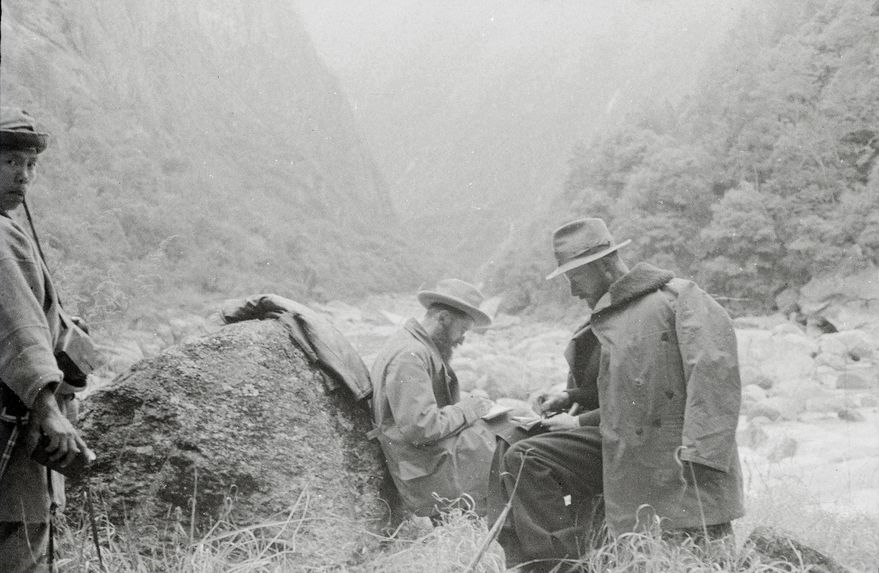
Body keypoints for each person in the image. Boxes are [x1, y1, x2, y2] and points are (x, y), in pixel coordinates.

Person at [494, 218, 744, 569]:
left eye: (575, 279)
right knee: (517, 448)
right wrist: (574, 397)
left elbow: (716, 382)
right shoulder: (605, 317)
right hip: (624, 448)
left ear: (603, 265)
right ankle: (562, 563)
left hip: (670, 461)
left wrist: (701, 462)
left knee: (526, 458)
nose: (574, 292)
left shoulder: (680, 299)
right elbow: (627, 389)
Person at [1, 107, 94, 571]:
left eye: (30, 165)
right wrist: (50, 413)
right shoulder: (0, 236)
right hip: (13, 430)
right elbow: (21, 331)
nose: (24, 176)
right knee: (20, 549)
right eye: (10, 162)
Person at [370, 279, 499, 520]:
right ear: (442, 319)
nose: (462, 340)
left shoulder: (415, 345)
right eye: (462, 330)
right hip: (422, 468)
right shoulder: (410, 355)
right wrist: (467, 409)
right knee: (505, 444)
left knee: (500, 429)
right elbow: (421, 426)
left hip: (426, 456)